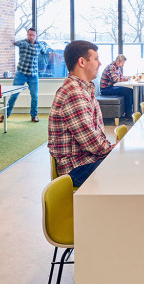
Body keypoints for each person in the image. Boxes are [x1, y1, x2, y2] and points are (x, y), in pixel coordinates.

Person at [48, 40, 115, 188]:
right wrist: (115, 150)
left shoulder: (83, 89)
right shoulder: (74, 92)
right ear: (82, 62)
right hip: (76, 169)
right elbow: (92, 142)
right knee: (126, 166)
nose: (100, 63)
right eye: (96, 59)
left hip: (86, 161)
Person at [4, 27, 43, 123]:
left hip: (33, 75)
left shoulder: (39, 45)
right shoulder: (23, 43)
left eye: (33, 35)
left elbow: (44, 50)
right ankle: (6, 115)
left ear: (36, 35)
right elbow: (18, 43)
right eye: (29, 35)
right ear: (27, 35)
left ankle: (34, 116)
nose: (31, 37)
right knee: (14, 95)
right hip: (21, 74)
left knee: (35, 96)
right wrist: (13, 42)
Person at [100, 54, 133, 119]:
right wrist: (126, 79)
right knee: (128, 91)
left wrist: (128, 77)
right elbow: (115, 80)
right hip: (105, 89)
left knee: (130, 90)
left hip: (111, 87)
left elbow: (121, 77)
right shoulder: (111, 67)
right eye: (122, 63)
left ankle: (129, 112)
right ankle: (128, 114)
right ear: (118, 61)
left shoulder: (117, 67)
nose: (123, 65)